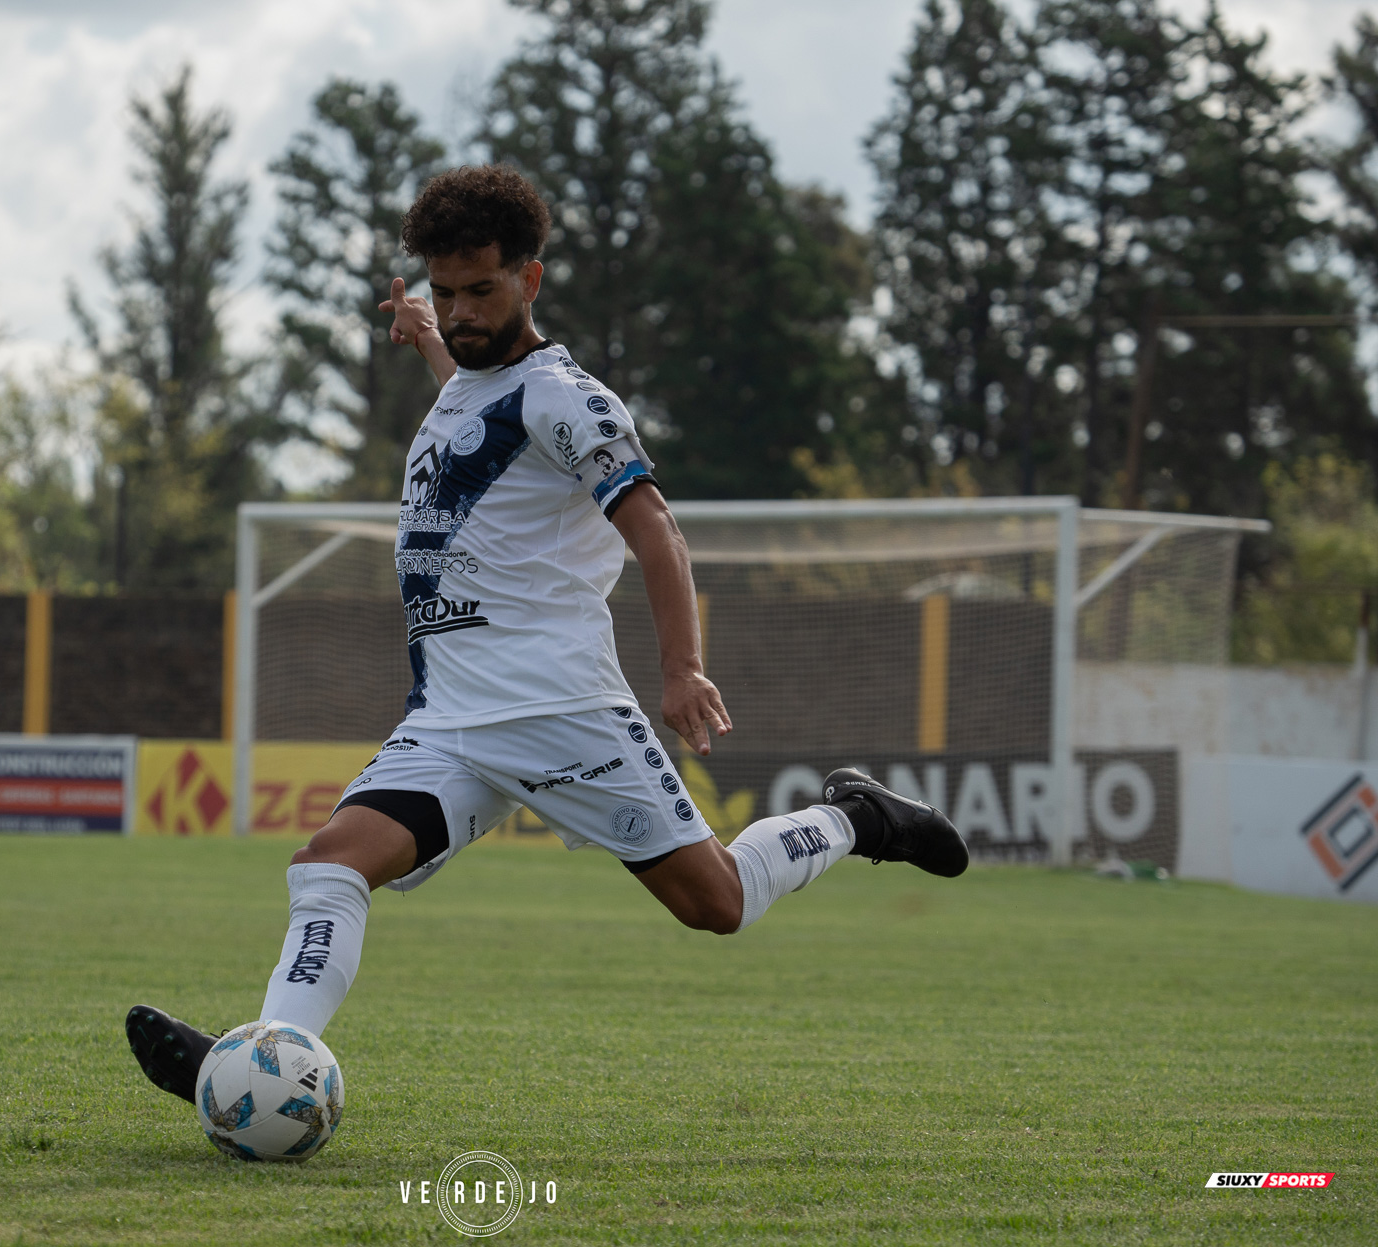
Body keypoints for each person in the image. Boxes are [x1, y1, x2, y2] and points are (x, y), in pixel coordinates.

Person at [125, 166, 968, 1106]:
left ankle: (855, 816)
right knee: (327, 863)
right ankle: (261, 1062)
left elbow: (656, 528)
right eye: (444, 291)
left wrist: (683, 667)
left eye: (481, 290)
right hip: (450, 719)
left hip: (564, 708)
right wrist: (430, 341)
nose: (461, 308)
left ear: (531, 278)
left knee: (717, 903)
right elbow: (481, 405)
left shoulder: (569, 397)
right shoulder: (469, 381)